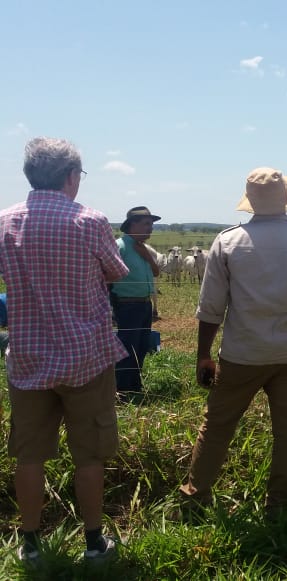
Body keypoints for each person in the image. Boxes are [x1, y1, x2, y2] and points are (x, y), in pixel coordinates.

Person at [179, 168, 287, 516]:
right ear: (286, 200)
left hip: (242, 354)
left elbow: (211, 307)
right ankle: (279, 506)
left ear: (249, 202)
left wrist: (204, 355)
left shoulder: (228, 242)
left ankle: (195, 497)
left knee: (218, 425)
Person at [0, 137, 127, 564]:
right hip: (85, 356)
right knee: (89, 453)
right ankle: (94, 543)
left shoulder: (5, 222)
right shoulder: (89, 220)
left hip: (29, 357)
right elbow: (115, 271)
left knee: (29, 455)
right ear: (72, 177)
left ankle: (30, 545)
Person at [111, 206, 162, 401]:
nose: (150, 228)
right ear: (132, 225)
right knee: (127, 347)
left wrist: (147, 256)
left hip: (144, 305)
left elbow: (156, 273)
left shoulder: (143, 248)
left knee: (141, 346)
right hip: (127, 305)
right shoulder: (120, 246)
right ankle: (122, 389)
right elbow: (106, 275)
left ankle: (134, 385)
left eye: (151, 225)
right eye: (146, 224)